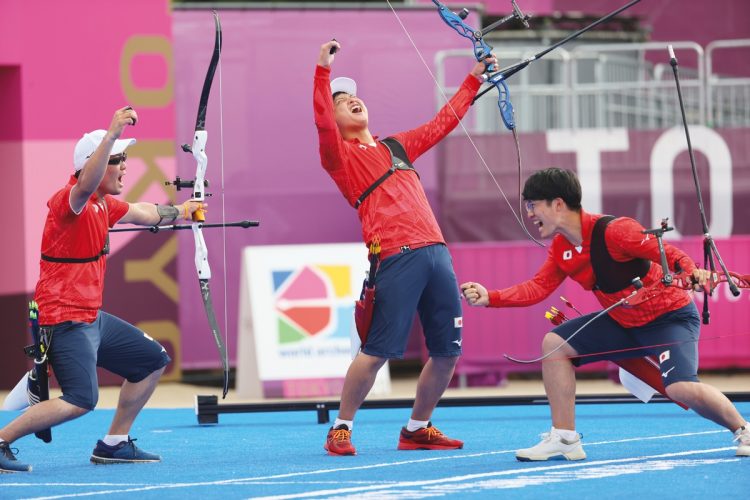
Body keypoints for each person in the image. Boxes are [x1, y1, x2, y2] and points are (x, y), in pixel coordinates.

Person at [460, 167, 750, 461]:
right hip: (623, 322)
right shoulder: (561, 248)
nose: (530, 214)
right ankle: (565, 438)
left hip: (669, 319)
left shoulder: (616, 230)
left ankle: (743, 429)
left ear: (558, 204)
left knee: (680, 388)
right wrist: (490, 297)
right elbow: (538, 288)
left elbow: (671, 254)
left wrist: (691, 273)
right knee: (555, 344)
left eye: (533, 205)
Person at [314, 40, 495, 456]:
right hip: (395, 256)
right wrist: (322, 72)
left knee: (448, 352)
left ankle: (416, 428)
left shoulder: (395, 147)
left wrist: (473, 78)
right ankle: (341, 428)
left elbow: (442, 122)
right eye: (341, 101)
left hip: (437, 254)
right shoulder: (337, 156)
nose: (351, 100)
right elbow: (322, 121)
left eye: (355, 96)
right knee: (376, 352)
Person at [0, 107, 203, 473]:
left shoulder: (103, 205)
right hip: (63, 318)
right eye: (117, 160)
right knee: (82, 399)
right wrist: (110, 133)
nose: (125, 167)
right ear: (94, 165)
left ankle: (114, 443)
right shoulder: (70, 201)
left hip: (90, 317)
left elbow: (143, 211)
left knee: (151, 360)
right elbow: (84, 183)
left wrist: (182, 210)